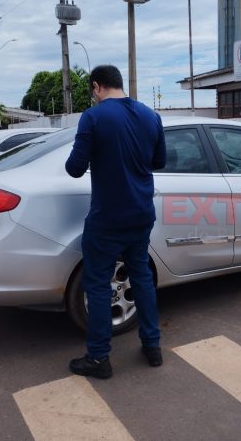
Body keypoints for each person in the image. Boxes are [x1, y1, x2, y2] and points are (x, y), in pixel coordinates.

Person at [65, 65, 166, 379]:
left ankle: (98, 358)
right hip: (142, 213)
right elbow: (159, 161)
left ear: (97, 87)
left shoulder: (93, 117)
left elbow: (74, 168)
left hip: (107, 218)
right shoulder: (151, 116)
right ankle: (152, 346)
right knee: (142, 278)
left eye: (92, 92)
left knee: (97, 284)